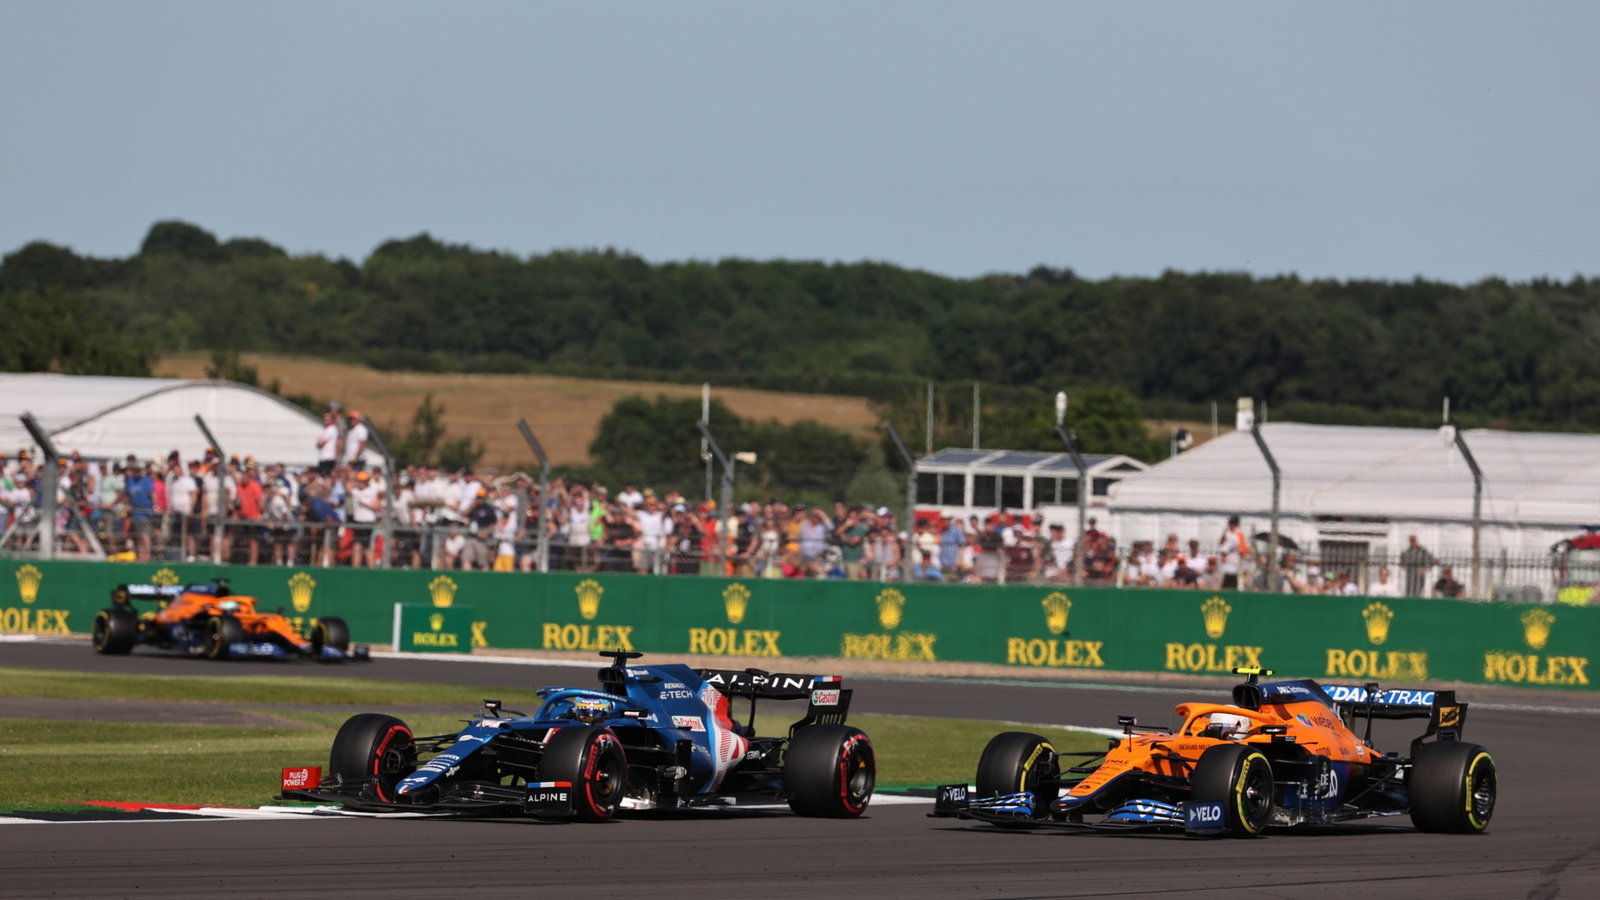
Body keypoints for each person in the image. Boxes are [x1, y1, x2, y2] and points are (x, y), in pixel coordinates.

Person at [1218, 516, 1249, 589]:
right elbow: (1221, 543)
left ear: (1237, 524)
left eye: (1233, 523)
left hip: (1235, 558)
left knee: (1234, 579)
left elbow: (1242, 548)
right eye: (1230, 523)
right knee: (1225, 579)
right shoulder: (1227, 533)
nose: (1231, 525)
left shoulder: (1239, 534)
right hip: (1226, 559)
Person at [316, 409, 340, 477]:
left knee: (325, 476)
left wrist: (319, 442)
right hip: (325, 457)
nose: (325, 419)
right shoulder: (327, 429)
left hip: (328, 457)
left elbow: (320, 444)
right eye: (325, 418)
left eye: (328, 418)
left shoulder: (330, 429)